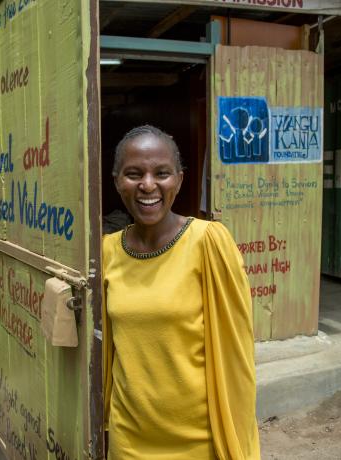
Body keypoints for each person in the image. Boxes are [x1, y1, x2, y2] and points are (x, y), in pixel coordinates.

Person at [103, 125, 260, 460]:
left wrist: (237, 436)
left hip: (199, 438)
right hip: (129, 437)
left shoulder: (208, 242)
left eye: (162, 173)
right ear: (117, 180)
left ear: (180, 179)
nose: (148, 185)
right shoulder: (108, 252)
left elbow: (237, 352)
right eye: (133, 174)